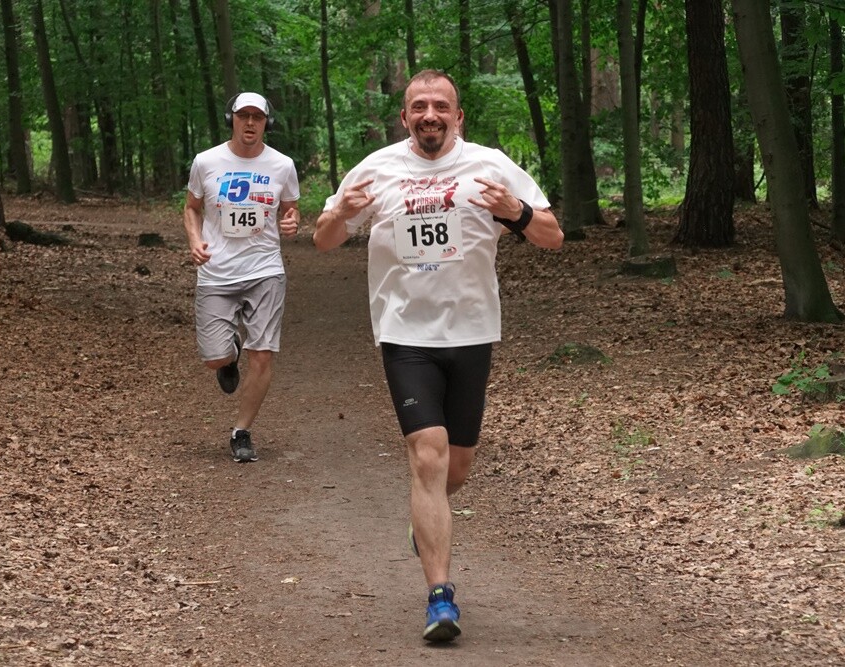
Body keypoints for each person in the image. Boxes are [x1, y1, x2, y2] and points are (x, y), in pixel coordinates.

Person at [313, 69, 563, 643]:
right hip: (406, 335)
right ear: (404, 117)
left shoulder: (491, 165)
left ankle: (427, 521)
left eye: (440, 106)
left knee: (457, 466)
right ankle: (441, 598)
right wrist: (337, 213)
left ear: (457, 116)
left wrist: (517, 214)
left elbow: (552, 235)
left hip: (473, 332)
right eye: (419, 106)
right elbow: (325, 240)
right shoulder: (375, 169)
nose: (430, 114)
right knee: (427, 455)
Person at [184, 91, 300, 463]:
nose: (250, 123)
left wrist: (292, 220)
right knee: (214, 359)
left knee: (262, 354)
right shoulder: (206, 162)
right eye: (243, 116)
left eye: (258, 117)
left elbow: (291, 208)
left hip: (264, 269)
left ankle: (242, 430)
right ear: (231, 119)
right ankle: (227, 357)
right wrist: (195, 240)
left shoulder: (282, 165)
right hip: (217, 270)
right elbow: (191, 207)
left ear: (267, 122)